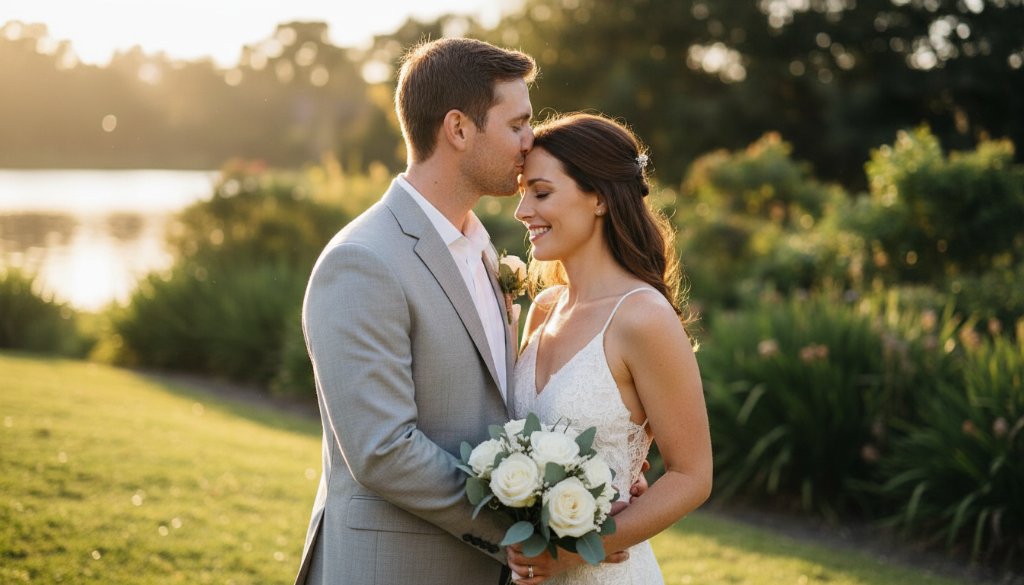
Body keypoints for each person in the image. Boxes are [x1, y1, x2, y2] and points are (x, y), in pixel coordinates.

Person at [293, 37, 536, 585]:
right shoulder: (362, 261)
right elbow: (382, 450)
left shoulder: (482, 248)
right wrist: (523, 525)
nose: (531, 140)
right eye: (518, 124)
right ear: (458, 129)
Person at [506, 112, 714, 584]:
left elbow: (692, 476)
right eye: (521, 194)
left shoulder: (643, 318)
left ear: (599, 197)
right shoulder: (543, 309)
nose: (522, 211)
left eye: (540, 192)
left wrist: (579, 549)